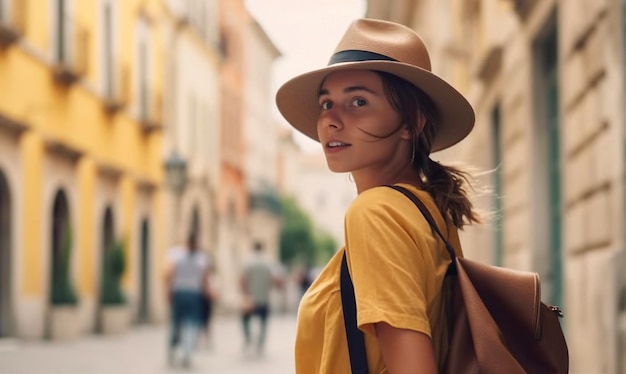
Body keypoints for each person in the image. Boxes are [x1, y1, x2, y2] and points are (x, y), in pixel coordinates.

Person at [275, 18, 482, 373]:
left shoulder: (375, 213)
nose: (331, 120)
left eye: (358, 101)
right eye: (326, 104)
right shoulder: (426, 209)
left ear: (411, 122)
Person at [164, 233, 210, 368]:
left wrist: (168, 290)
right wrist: (207, 292)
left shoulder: (176, 255)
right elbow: (205, 279)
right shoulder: (202, 258)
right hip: (193, 294)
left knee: (179, 323)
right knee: (190, 324)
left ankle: (179, 350)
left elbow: (169, 273)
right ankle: (186, 352)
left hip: (181, 292)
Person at [239, 241, 282, 355]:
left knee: (245, 319)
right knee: (264, 322)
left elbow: (243, 279)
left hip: (250, 299)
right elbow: (274, 279)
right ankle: (261, 343)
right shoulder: (268, 263)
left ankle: (248, 336)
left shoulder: (248, 262)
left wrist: (244, 293)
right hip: (264, 298)